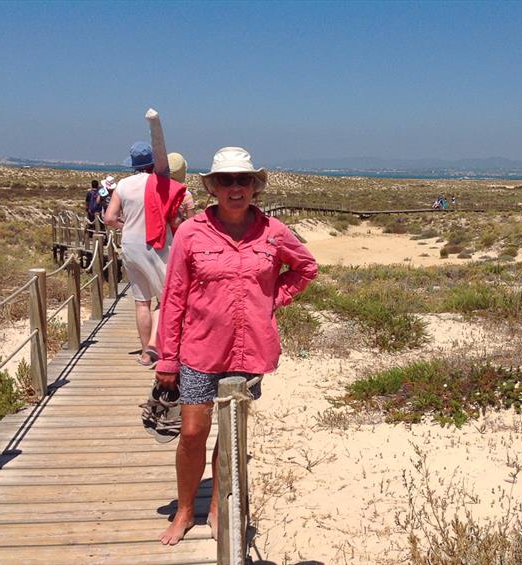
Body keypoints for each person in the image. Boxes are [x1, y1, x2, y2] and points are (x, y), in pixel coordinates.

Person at [154, 146, 318, 545]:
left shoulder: (273, 231)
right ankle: (185, 509)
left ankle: (217, 508)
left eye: (242, 180)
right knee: (193, 431)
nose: (234, 187)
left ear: (253, 187)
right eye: (225, 180)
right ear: (213, 187)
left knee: (230, 434)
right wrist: (167, 357)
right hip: (198, 349)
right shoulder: (192, 232)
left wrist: (271, 300)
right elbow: (175, 295)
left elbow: (306, 268)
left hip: (249, 351)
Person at [104, 110, 188, 366]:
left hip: (130, 244)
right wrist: (155, 124)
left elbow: (109, 219)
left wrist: (125, 224)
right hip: (157, 244)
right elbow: (162, 152)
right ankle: (155, 346)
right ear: (152, 163)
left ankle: (144, 352)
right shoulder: (159, 182)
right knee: (168, 298)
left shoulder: (122, 185)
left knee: (142, 301)